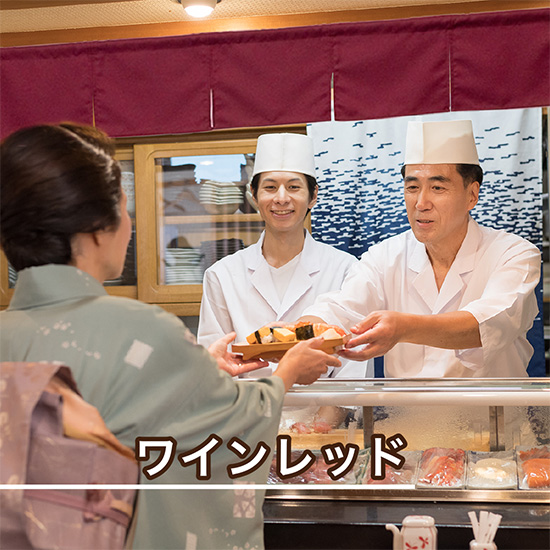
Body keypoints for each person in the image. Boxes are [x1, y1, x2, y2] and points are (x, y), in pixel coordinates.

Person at [0, 123, 341, 550]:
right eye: (124, 208)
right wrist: (284, 376)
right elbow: (229, 428)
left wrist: (200, 369)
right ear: (95, 227)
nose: (129, 224)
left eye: (294, 187)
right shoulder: (144, 331)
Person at [300, 119, 541, 378]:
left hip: (493, 417)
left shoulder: (514, 253)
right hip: (405, 419)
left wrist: (403, 327)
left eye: (438, 188)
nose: (421, 202)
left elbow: (488, 324)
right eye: (412, 187)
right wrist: (294, 334)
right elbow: (341, 309)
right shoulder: (385, 256)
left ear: (472, 195)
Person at [198, 132, 371, 380]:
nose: (281, 198)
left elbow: (352, 370)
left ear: (313, 196)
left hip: (321, 412)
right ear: (254, 196)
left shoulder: (345, 269)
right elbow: (213, 369)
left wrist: (321, 421)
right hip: (249, 413)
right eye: (269, 187)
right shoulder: (222, 275)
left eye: (293, 187)